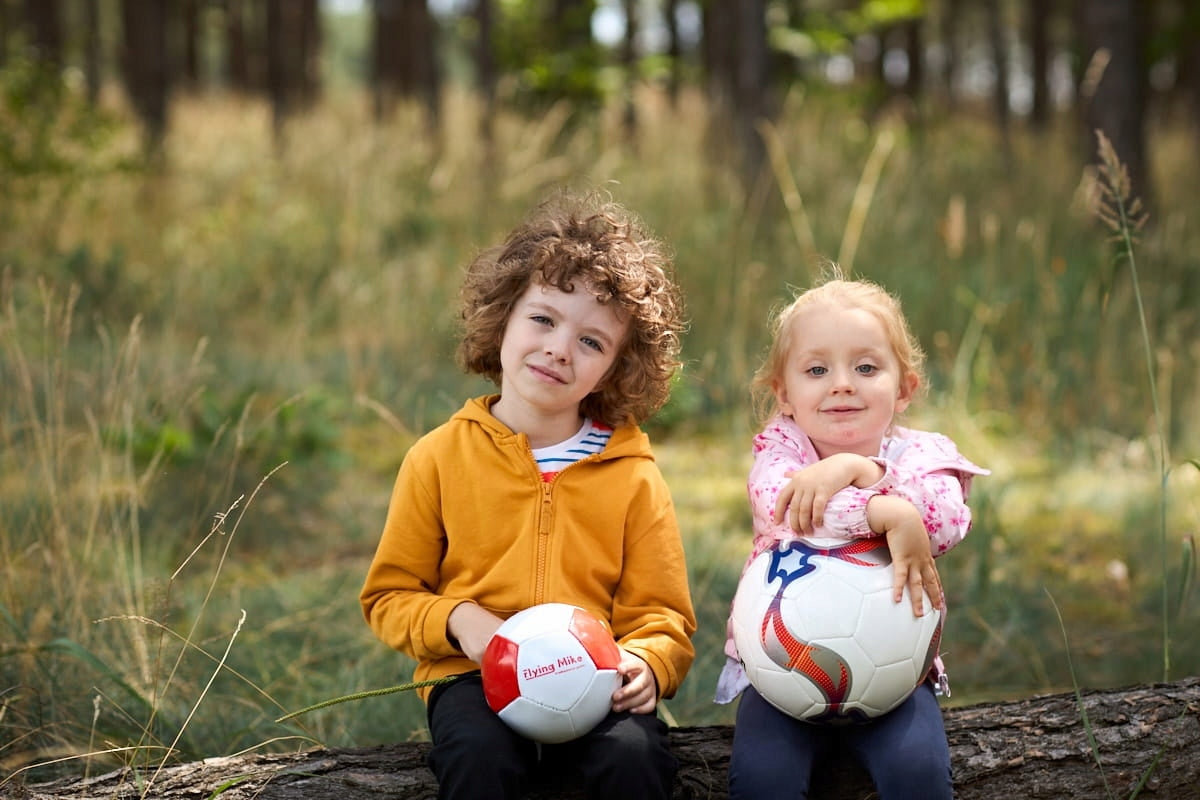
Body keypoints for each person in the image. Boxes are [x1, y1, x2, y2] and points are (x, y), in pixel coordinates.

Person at [360, 190, 697, 800]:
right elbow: (389, 597)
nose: (559, 348)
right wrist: (458, 620)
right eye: (543, 319)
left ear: (616, 368)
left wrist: (648, 661)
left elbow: (662, 615)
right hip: (472, 676)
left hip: (594, 675)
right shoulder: (437, 458)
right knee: (479, 758)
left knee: (633, 759)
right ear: (504, 317)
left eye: (592, 342)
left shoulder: (633, 476)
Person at [717, 267, 988, 800]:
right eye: (817, 369)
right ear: (784, 393)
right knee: (763, 780)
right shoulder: (779, 453)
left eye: (866, 367)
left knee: (919, 775)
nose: (842, 383)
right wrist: (885, 513)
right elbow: (790, 507)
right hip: (780, 673)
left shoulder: (923, 453)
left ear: (904, 388)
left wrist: (860, 470)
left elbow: (947, 520)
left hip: (896, 675)